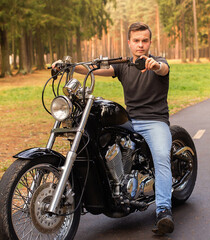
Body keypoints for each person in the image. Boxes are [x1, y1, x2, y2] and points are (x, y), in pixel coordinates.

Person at [54, 22, 174, 235]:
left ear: (150, 42)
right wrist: (71, 66)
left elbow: (162, 69)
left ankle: (164, 210)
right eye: (136, 41)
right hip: (129, 119)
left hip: (154, 121)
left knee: (162, 157)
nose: (140, 45)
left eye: (144, 41)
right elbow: (96, 68)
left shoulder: (159, 62)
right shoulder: (123, 64)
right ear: (129, 42)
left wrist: (155, 67)